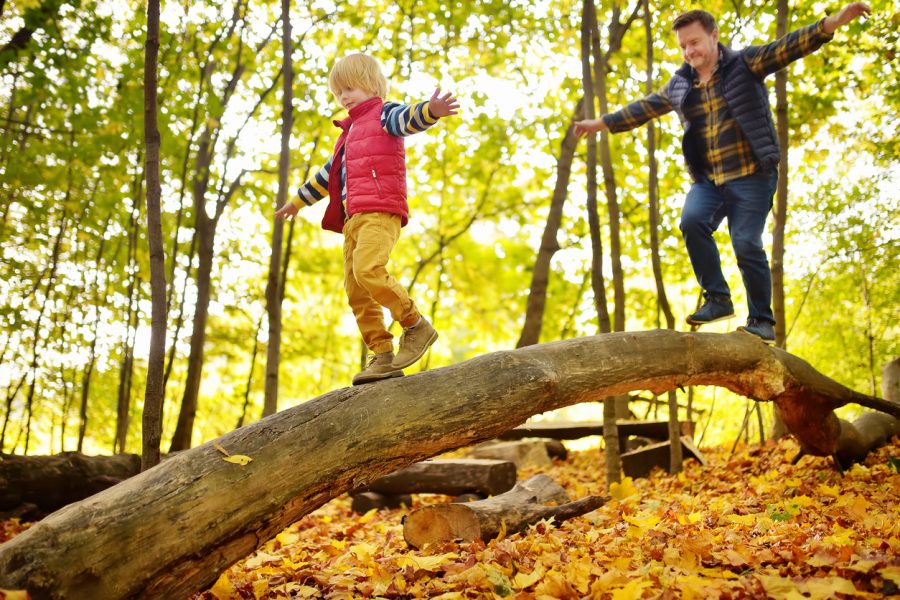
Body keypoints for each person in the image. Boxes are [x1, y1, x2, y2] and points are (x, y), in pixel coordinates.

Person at [573, 3, 871, 344]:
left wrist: (829, 25)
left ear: (714, 36)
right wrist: (602, 123)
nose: (689, 51)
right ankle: (717, 298)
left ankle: (761, 320)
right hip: (709, 181)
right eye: (684, 45)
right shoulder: (680, 85)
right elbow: (643, 108)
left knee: (745, 242)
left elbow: (786, 47)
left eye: (695, 42)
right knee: (692, 221)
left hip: (752, 176)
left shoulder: (745, 63)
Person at [276, 53, 459, 384]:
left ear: (372, 85)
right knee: (356, 289)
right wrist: (296, 202)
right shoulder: (346, 136)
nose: (344, 97)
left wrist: (431, 111)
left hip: (379, 211)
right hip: (353, 220)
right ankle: (382, 354)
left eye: (349, 88)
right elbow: (326, 176)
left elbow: (408, 119)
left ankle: (416, 325)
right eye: (338, 93)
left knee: (368, 270)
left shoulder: (383, 114)